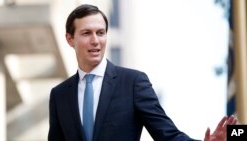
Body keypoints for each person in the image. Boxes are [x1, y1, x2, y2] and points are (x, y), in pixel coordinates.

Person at [48, 4, 237, 141]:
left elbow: (167, 134)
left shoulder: (132, 82)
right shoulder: (59, 95)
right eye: (86, 33)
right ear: (70, 39)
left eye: (101, 32)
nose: (95, 40)